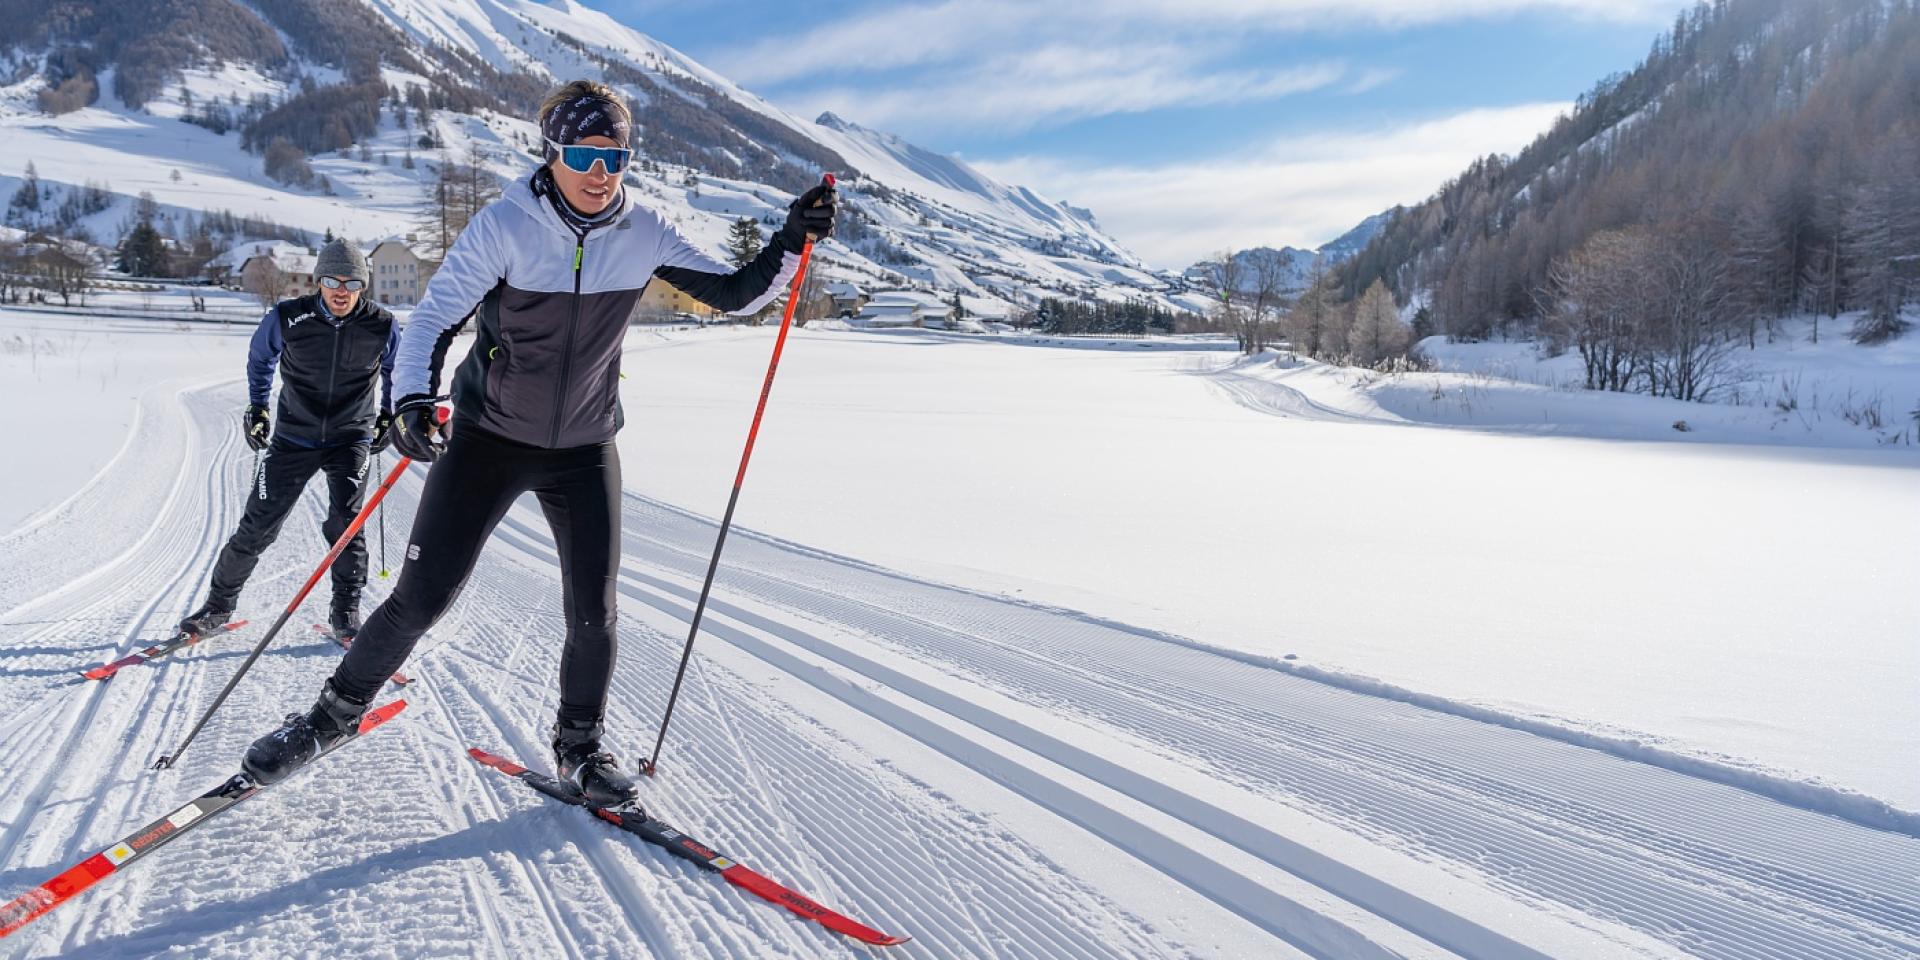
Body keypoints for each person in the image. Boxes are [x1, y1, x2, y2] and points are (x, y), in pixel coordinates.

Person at [242, 80, 836, 807]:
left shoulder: (642, 232)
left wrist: (791, 238)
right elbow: (431, 322)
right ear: (551, 154)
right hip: (487, 439)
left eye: (615, 157)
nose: (600, 173)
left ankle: (579, 750)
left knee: (595, 612)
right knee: (422, 598)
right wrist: (413, 403)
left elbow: (737, 291)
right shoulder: (506, 227)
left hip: (584, 449)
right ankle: (330, 716)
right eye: (584, 154)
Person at [178, 239, 398, 642]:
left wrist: (388, 414)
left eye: (352, 282)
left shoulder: (381, 324)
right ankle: (217, 606)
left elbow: (396, 372)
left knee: (346, 525)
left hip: (351, 438)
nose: (342, 290)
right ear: (318, 281)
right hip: (294, 436)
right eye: (332, 280)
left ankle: (346, 613)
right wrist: (258, 407)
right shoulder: (287, 317)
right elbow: (260, 359)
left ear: (363, 285)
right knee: (259, 524)